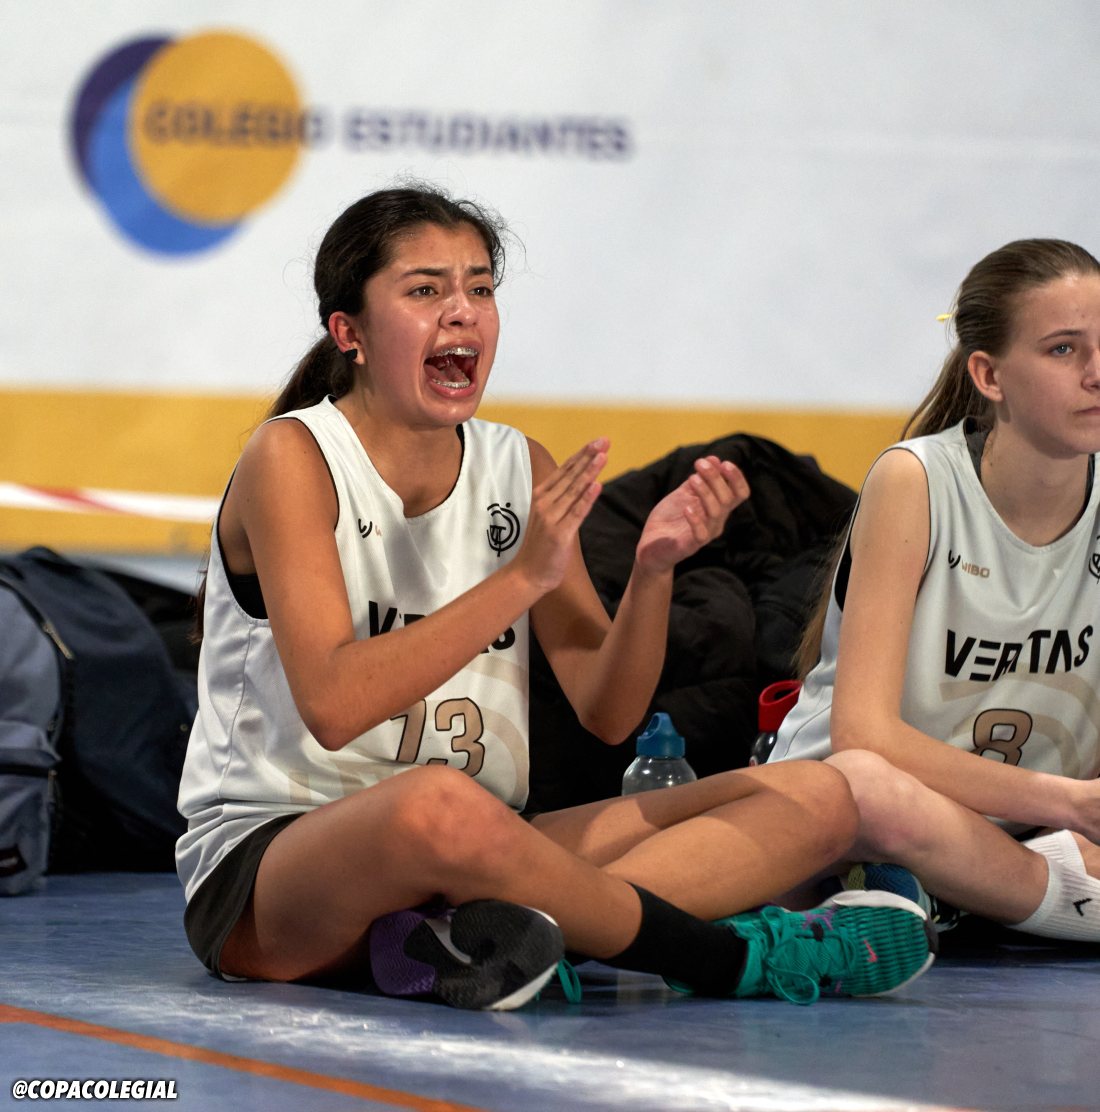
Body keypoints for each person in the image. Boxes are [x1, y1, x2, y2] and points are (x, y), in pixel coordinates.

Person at [176, 186, 935, 1011]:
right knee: (435, 804)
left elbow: (609, 714)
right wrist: (517, 581)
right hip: (276, 869)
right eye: (425, 289)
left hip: (485, 851)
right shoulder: (292, 456)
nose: (461, 311)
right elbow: (333, 703)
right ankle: (727, 958)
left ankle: (492, 940)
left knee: (819, 798)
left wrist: (654, 572)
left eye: (480, 288)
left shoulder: (517, 465)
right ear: (348, 333)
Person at [772, 238, 1100, 943]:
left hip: (1019, 831)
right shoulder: (916, 479)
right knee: (866, 787)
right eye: (1064, 349)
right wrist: (1070, 804)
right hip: (861, 814)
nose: (1097, 373)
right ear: (989, 374)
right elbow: (864, 738)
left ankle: (974, 896)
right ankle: (1002, 896)